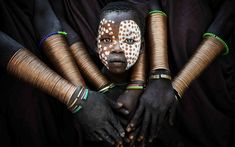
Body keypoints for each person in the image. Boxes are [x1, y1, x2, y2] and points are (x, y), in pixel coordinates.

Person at [0, 0, 125, 146]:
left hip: (53, 68)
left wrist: (84, 94)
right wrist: (76, 97)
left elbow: (42, 12)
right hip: (12, 88)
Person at [125, 0, 235, 147]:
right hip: (150, 52)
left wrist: (176, 87)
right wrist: (157, 75)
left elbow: (225, 23)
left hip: (208, 66)